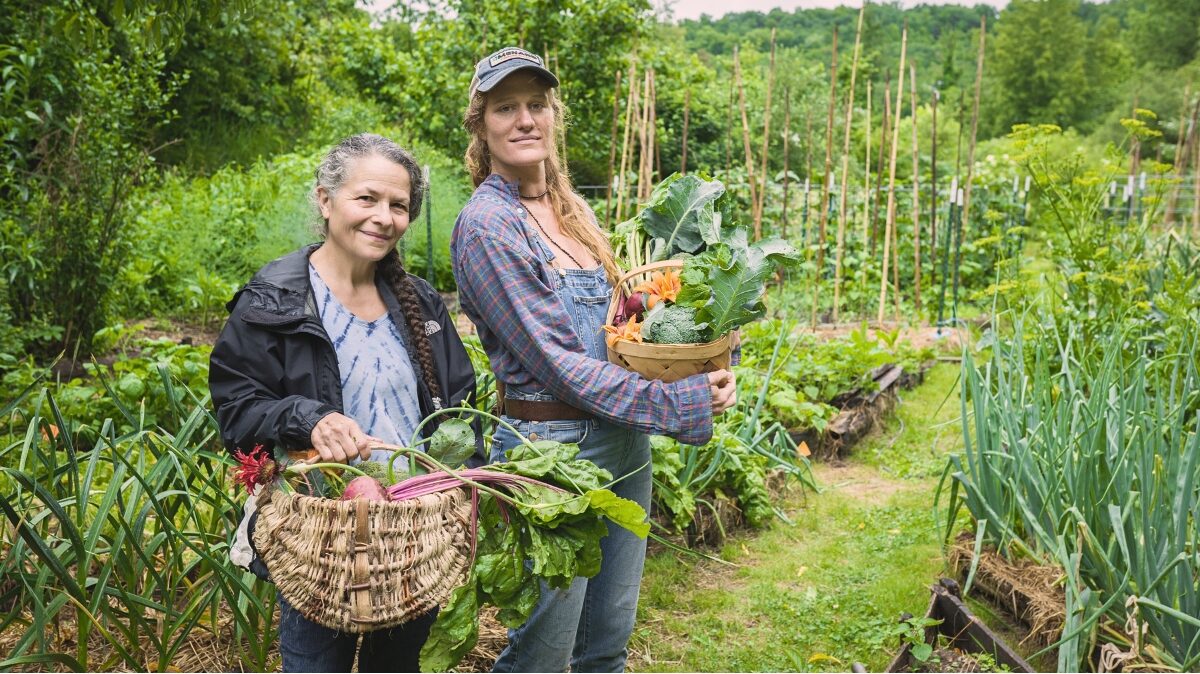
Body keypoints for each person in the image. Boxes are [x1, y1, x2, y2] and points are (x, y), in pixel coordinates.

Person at [450, 47, 737, 673]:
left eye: (536, 104)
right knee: (544, 653)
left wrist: (700, 361)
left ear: (553, 115)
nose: (525, 119)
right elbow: (557, 363)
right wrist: (676, 403)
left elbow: (625, 326)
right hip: (551, 449)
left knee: (606, 641)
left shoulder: (574, 214)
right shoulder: (488, 227)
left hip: (623, 439)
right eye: (506, 108)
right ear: (482, 126)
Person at [208, 133, 477, 672]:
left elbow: (459, 406)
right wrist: (307, 419)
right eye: (367, 198)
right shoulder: (274, 300)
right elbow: (237, 410)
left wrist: (462, 483)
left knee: (398, 665)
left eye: (399, 206)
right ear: (325, 200)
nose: (384, 217)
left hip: (410, 534)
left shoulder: (419, 301)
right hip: (321, 539)